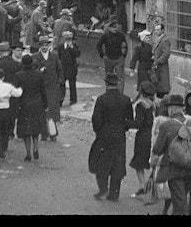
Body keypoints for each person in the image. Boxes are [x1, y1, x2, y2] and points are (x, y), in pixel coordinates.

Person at [89, 73, 134, 201]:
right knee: (118, 164)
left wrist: (99, 132)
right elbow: (129, 120)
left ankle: (103, 188)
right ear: (117, 84)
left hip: (104, 134)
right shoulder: (126, 99)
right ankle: (114, 193)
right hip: (119, 135)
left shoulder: (101, 99)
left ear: (106, 84)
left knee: (101, 161)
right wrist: (122, 129)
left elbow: (96, 120)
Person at [149, 94, 191, 215]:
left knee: (177, 200)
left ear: (172, 109)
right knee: (182, 197)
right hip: (190, 167)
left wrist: (153, 162)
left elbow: (158, 148)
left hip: (173, 168)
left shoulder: (165, 124)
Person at [11, 54, 47, 162]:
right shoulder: (39, 75)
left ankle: (28, 153)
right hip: (37, 103)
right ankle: (35, 147)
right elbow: (43, 91)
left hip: (24, 104)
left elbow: (16, 91)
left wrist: (15, 107)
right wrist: (46, 104)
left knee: (26, 130)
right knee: (35, 128)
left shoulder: (18, 75)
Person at [130, 82, 159, 202]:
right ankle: (153, 188)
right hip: (154, 135)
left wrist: (126, 123)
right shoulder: (155, 104)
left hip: (143, 136)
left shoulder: (141, 105)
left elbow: (138, 123)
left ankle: (143, 185)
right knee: (153, 163)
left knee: (139, 162)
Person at [56, 30, 82, 103]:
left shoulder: (74, 45)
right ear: (64, 39)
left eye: (70, 39)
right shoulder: (60, 46)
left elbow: (77, 54)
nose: (68, 40)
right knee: (61, 85)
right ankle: (60, 100)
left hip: (72, 68)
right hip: (63, 68)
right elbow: (59, 57)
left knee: (72, 85)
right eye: (67, 39)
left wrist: (71, 47)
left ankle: (73, 100)